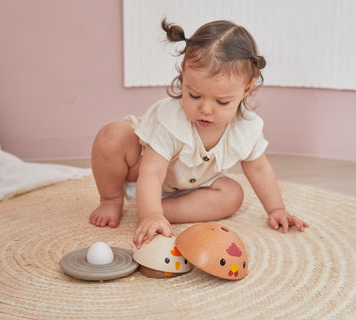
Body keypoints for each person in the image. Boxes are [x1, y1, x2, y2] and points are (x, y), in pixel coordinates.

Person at [89, 19, 309, 248]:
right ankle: (112, 199)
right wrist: (149, 214)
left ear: (245, 89)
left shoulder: (246, 127)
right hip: (141, 171)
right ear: (184, 76)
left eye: (222, 102)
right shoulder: (170, 119)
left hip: (193, 188)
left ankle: (162, 211)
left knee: (232, 195)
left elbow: (260, 169)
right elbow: (152, 173)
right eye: (194, 96)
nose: (205, 109)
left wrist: (277, 209)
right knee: (111, 136)